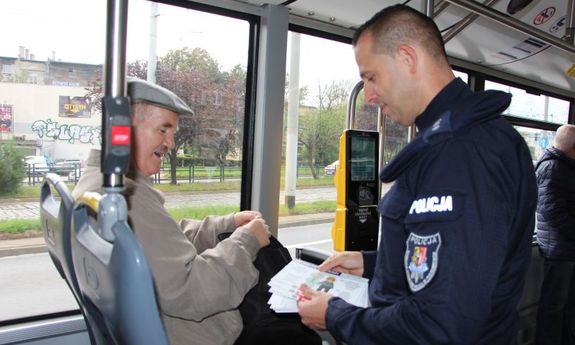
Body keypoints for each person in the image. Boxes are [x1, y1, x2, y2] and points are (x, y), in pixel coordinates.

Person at [297, 4, 537, 345]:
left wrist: (335, 315)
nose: (369, 96)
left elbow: (441, 323)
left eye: (371, 77)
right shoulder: (461, 140)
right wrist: (373, 263)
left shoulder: (460, 155)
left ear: (408, 58)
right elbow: (455, 264)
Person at [72, 78, 272, 345]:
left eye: (172, 133)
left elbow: (165, 242)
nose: (171, 143)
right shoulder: (122, 197)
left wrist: (227, 224)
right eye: (163, 130)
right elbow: (193, 291)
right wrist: (246, 241)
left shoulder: (94, 186)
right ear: (124, 127)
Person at [534, 124, 575, 345]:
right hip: (559, 249)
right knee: (554, 306)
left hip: (566, 246)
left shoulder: (564, 166)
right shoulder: (553, 168)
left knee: (567, 305)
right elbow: (554, 213)